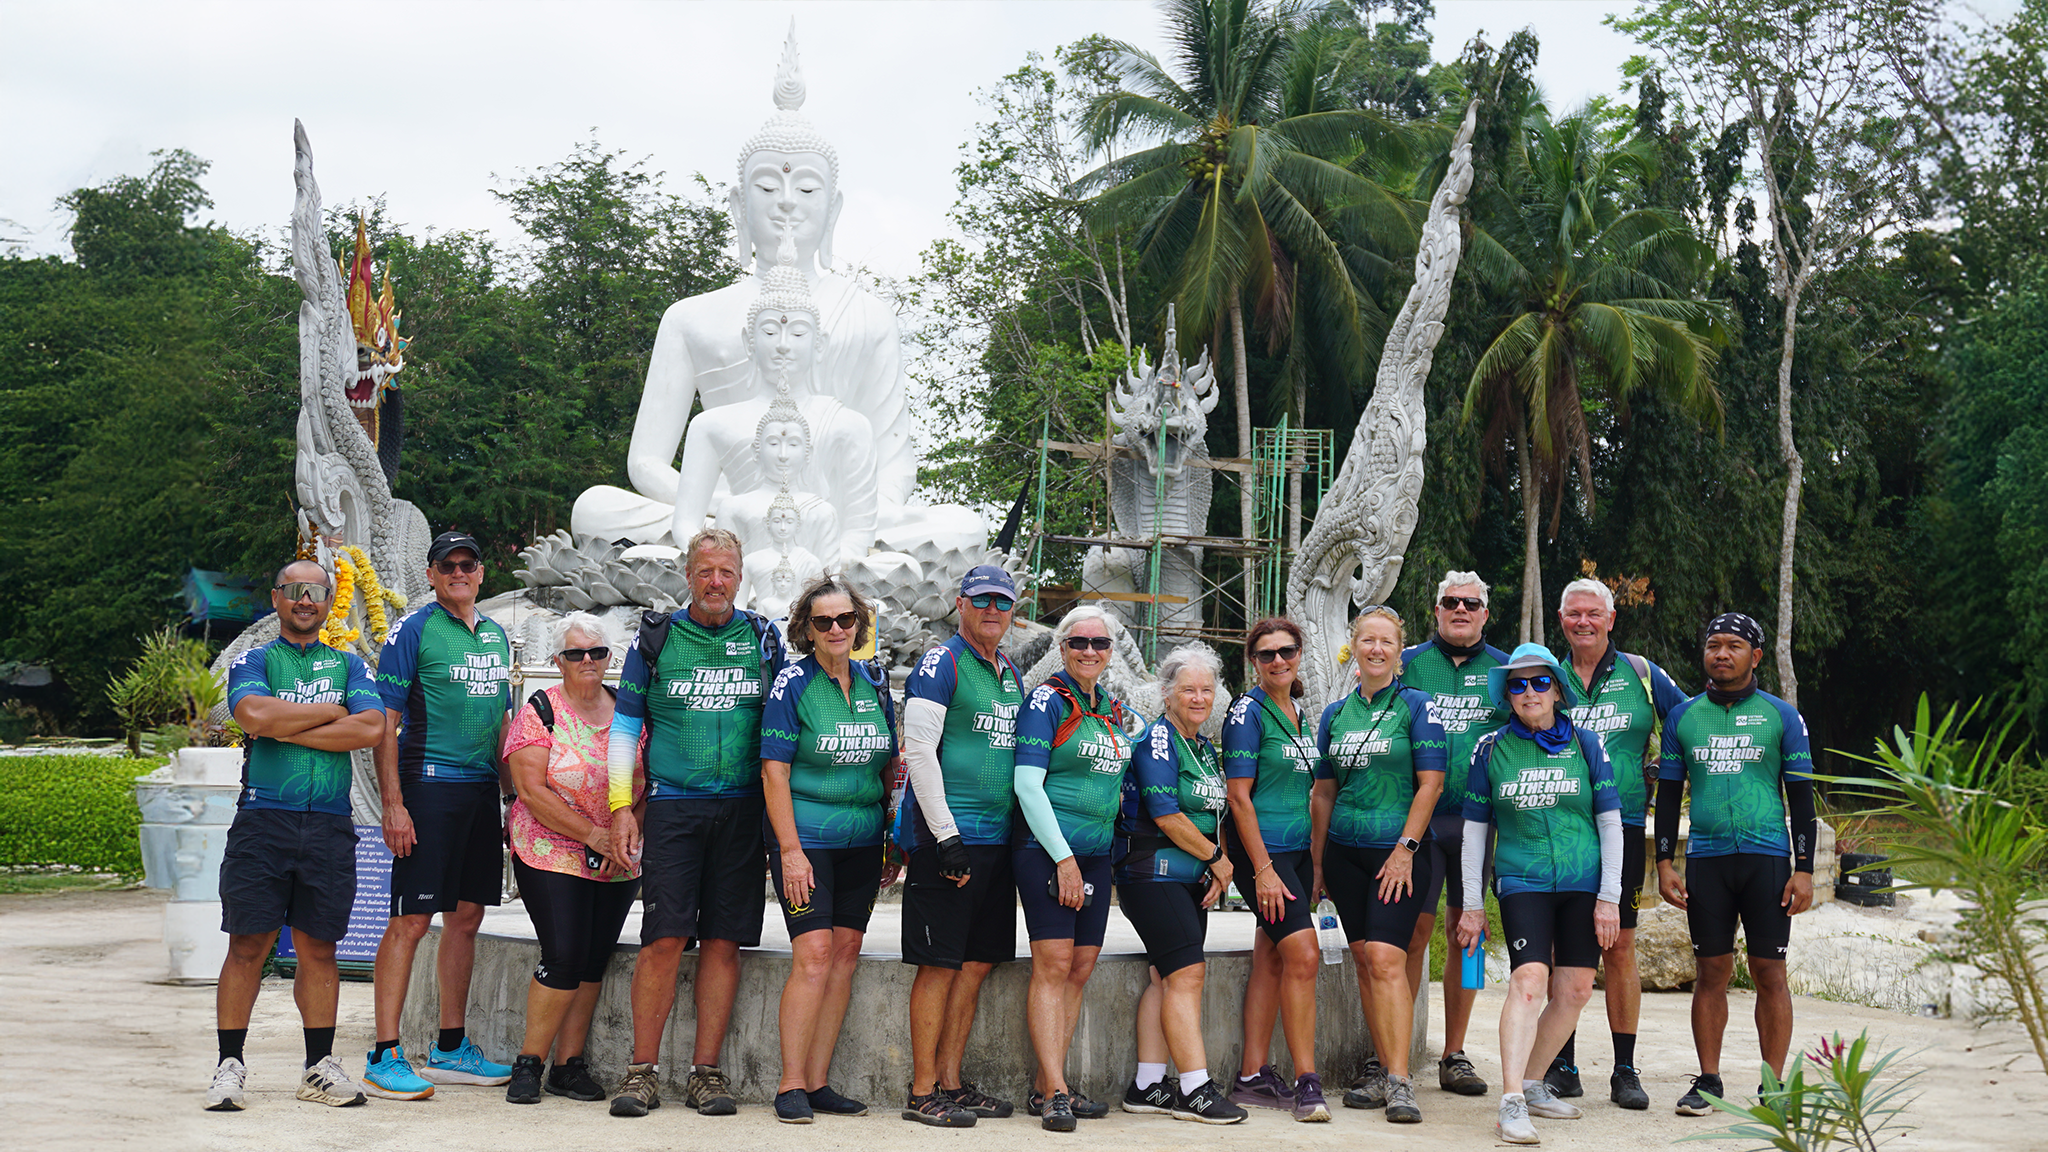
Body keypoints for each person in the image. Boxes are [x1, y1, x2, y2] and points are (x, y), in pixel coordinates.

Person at [604, 527, 784, 1118]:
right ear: (688, 576)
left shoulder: (763, 637)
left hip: (742, 807)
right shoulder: (656, 638)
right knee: (663, 939)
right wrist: (621, 807)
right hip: (674, 805)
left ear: (740, 577)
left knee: (724, 942)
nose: (715, 581)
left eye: (726, 571)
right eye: (705, 571)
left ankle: (706, 1073)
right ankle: (641, 1071)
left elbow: (786, 727)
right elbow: (625, 727)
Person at [208, 559, 385, 1111]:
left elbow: (372, 726)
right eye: (295, 590)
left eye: (316, 591)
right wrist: (330, 713)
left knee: (319, 948)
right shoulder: (255, 659)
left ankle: (318, 1069)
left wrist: (288, 727)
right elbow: (254, 715)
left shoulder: (350, 664)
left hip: (329, 822)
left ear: (329, 600)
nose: (305, 599)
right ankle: (229, 1065)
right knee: (248, 945)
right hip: (264, 819)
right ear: (277, 597)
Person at [365, 531, 516, 1099]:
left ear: (481, 573)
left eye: (467, 564)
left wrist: (512, 800)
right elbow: (384, 723)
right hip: (428, 789)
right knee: (410, 919)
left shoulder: (496, 635)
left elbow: (502, 723)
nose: (458, 572)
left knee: (467, 917)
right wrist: (394, 804)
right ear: (430, 575)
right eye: (446, 565)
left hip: (480, 791)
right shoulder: (414, 629)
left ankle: (451, 1049)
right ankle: (384, 1054)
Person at [1455, 642, 1624, 1145]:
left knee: (1575, 990)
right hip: (1521, 879)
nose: (1529, 691)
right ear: (1507, 694)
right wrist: (1471, 904)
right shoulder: (1490, 749)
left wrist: (1609, 896)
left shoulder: (1588, 744)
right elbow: (1474, 833)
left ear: (1557, 689)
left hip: (1583, 880)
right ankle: (1510, 1101)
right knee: (1529, 980)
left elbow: (1610, 823)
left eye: (1540, 681)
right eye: (1517, 684)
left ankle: (1532, 1082)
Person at [1655, 612, 1816, 1118]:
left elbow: (1802, 798)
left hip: (1767, 859)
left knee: (1770, 972)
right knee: (1711, 972)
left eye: (1734, 646)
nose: (1721, 654)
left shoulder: (1781, 716)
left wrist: (1805, 868)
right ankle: (1708, 1081)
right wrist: (1664, 862)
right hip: (1708, 861)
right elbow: (1668, 795)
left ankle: (1773, 1085)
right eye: (1714, 645)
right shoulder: (1684, 717)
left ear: (1756, 656)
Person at [759, 575, 901, 1123]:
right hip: (808, 839)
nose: (836, 628)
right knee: (814, 956)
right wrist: (790, 851)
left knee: (844, 955)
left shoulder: (875, 681)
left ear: (859, 624)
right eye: (824, 621)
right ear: (807, 629)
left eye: (846, 619)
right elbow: (774, 772)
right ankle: (790, 1084)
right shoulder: (792, 683)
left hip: (863, 839)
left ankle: (818, 1082)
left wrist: (891, 836)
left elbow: (889, 764)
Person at [1544, 578, 1687, 1109]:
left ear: (1610, 619)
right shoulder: (1547, 676)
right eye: (1573, 614)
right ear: (1562, 620)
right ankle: (1562, 1065)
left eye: (1593, 613)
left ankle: (1625, 1070)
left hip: (1622, 826)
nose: (1583, 622)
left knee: (1620, 944)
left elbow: (1691, 721)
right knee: (1560, 947)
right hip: (1558, 826)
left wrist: (1665, 771)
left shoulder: (1642, 673)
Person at [893, 564, 1026, 1126]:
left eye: (1003, 601)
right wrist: (946, 837)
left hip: (996, 841)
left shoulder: (1010, 672)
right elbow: (919, 753)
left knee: (974, 966)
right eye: (982, 600)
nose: (993, 610)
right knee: (939, 966)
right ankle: (922, 1092)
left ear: (1013, 609)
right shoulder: (940, 662)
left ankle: (951, 1082)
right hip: (946, 839)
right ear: (960, 603)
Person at [498, 613, 647, 1105]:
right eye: (576, 653)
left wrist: (624, 835)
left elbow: (649, 783)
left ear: (609, 659)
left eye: (597, 652)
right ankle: (529, 1063)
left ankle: (569, 1065)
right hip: (551, 847)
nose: (587, 660)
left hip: (615, 850)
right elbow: (530, 790)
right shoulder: (540, 711)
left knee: (592, 959)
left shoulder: (629, 712)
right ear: (558, 661)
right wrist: (593, 836)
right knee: (564, 955)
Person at [1377, 571, 1509, 1107]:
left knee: (1467, 935)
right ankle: (1396, 1056)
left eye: (1470, 604)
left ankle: (1455, 1053)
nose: (1460, 610)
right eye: (1450, 602)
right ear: (1436, 610)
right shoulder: (1407, 663)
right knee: (1413, 934)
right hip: (1420, 823)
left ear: (1484, 613)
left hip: (1478, 822)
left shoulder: (1506, 670)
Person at [1311, 606, 1446, 1125]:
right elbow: (1324, 793)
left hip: (1400, 853)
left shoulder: (1417, 706)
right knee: (1365, 961)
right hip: (1344, 853)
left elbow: (1431, 784)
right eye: (1367, 640)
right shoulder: (1334, 714)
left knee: (1388, 960)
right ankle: (1383, 1067)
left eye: (1386, 641)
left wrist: (1405, 850)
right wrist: (1319, 865)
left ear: (1399, 651)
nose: (1376, 649)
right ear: (1354, 647)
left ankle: (1401, 1081)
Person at [1115, 643, 1247, 1126]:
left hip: (1192, 879)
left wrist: (1215, 865)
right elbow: (1166, 815)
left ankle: (1148, 1084)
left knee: (1164, 977)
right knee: (1188, 976)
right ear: (1166, 693)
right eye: (1188, 689)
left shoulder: (1203, 747)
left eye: (1206, 690)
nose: (1198, 698)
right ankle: (1195, 1089)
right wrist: (1217, 860)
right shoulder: (1158, 741)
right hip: (1152, 874)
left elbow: (1215, 815)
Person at [1012, 606, 1128, 1131]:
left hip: (1097, 855)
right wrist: (1063, 859)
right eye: (1078, 642)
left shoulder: (1110, 707)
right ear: (1062, 648)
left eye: (1099, 644)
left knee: (1080, 967)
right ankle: (1057, 1091)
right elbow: (1027, 785)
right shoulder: (1047, 701)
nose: (1089, 651)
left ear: (1111, 652)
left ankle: (1046, 1085)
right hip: (1048, 851)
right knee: (1054, 964)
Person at [1218, 618, 1327, 1121]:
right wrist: (1262, 870)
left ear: (1299, 654)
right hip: (1262, 853)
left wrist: (1315, 862)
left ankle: (1251, 1076)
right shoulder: (1247, 713)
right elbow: (1238, 798)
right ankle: (1308, 1082)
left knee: (1272, 957)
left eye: (1287, 651)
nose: (1278, 661)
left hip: (1297, 851)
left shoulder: (1299, 712)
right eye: (1267, 654)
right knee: (1304, 955)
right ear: (1254, 662)